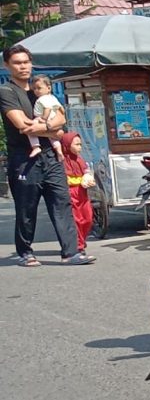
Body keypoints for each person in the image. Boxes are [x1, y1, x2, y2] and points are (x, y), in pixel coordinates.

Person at [1, 44, 93, 267]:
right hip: (24, 159)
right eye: (17, 63)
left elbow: (62, 120)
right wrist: (54, 130)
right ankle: (25, 252)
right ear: (7, 65)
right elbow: (22, 125)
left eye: (26, 62)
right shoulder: (7, 92)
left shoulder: (40, 91)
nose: (23, 66)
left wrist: (51, 129)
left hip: (52, 156)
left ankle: (71, 252)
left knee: (62, 203)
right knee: (26, 208)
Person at [60, 131, 95, 255]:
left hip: (82, 193)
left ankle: (81, 240)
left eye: (80, 145)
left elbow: (86, 170)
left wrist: (88, 177)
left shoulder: (79, 159)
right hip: (70, 193)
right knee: (76, 220)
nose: (79, 147)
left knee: (88, 219)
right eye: (76, 144)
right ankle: (79, 246)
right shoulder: (61, 160)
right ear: (67, 145)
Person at [28, 75, 64, 159]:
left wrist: (43, 119)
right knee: (53, 138)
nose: (36, 91)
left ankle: (35, 147)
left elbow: (47, 109)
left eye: (39, 88)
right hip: (54, 119)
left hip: (42, 118)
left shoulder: (42, 99)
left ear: (48, 88)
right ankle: (59, 150)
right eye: (34, 89)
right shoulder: (53, 97)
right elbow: (61, 108)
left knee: (30, 129)